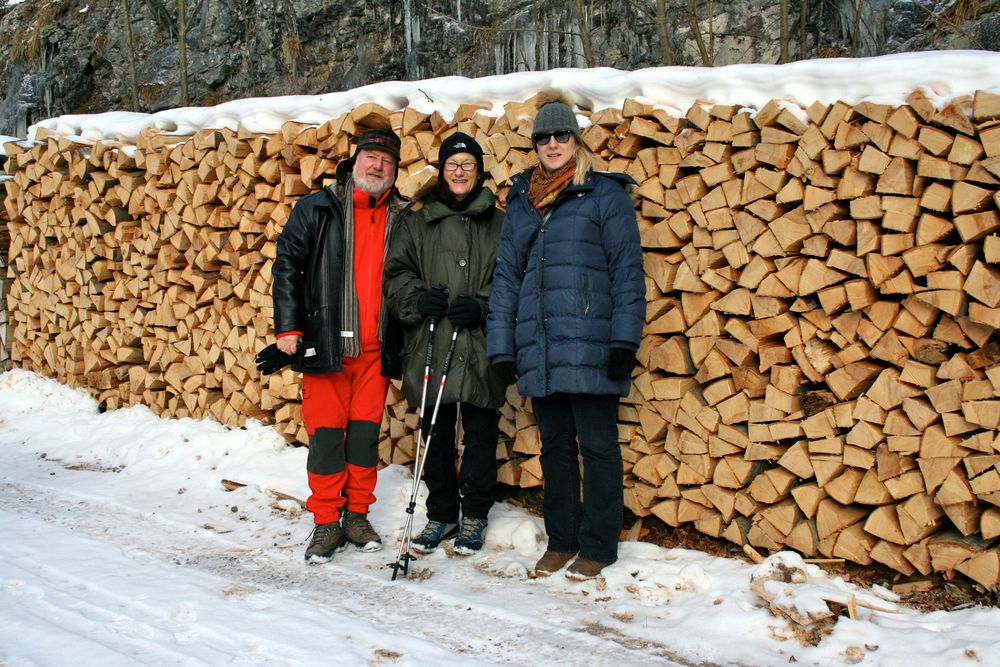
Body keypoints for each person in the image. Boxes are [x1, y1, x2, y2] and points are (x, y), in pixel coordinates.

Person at [486, 98, 645, 580]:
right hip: (541, 345)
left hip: (592, 342)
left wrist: (624, 342)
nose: (552, 144)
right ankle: (561, 540)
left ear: (576, 140)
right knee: (554, 446)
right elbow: (507, 278)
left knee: (597, 447)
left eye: (561, 136)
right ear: (535, 145)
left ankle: (598, 546)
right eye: (543, 138)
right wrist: (501, 346)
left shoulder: (604, 195)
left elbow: (627, 272)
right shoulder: (521, 200)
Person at [258, 128, 410, 564]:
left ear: (395, 170)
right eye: (372, 158)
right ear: (355, 160)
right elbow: (287, 266)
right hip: (327, 347)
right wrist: (288, 328)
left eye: (387, 161)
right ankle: (326, 520)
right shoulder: (317, 208)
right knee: (326, 438)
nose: (378, 166)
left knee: (363, 439)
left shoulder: (402, 215)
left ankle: (357, 513)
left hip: (376, 351)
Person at [383, 131, 506, 555]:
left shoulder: (499, 222)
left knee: (480, 431)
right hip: (431, 340)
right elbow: (396, 276)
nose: (459, 172)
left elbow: (514, 280)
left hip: (479, 343)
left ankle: (473, 514)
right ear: (441, 172)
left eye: (467, 165)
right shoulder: (417, 222)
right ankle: (440, 513)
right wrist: (420, 299)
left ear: (479, 172)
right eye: (452, 165)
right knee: (434, 431)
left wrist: (485, 306)